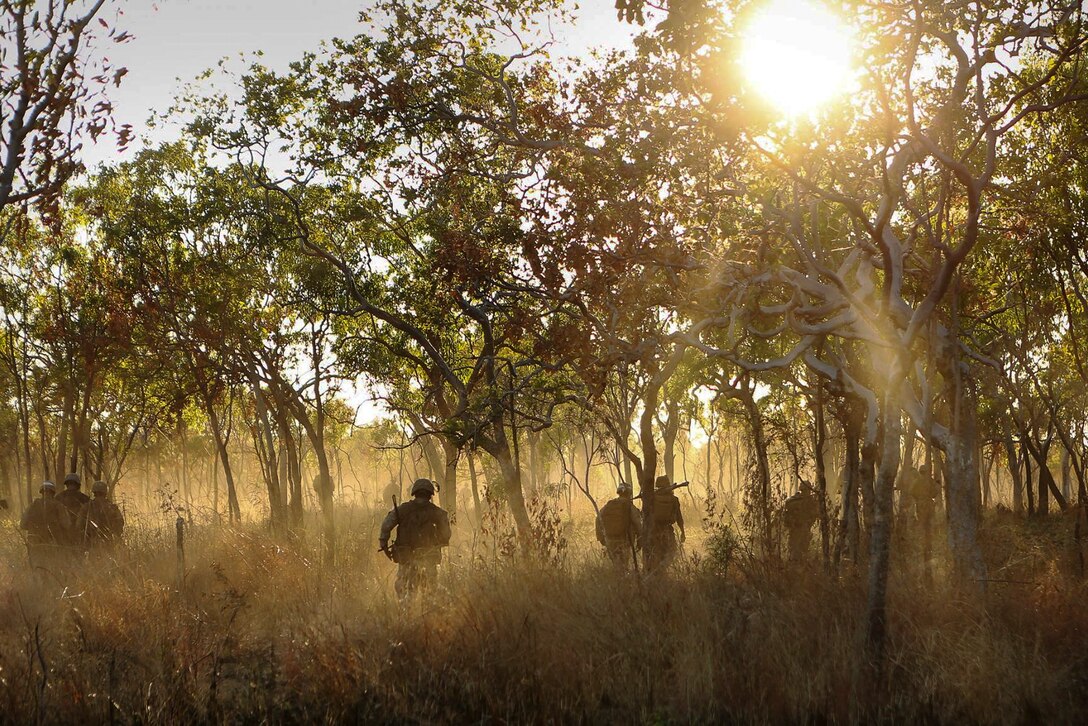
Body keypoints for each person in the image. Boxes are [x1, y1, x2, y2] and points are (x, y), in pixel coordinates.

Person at [379, 478, 452, 599]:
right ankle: (429, 613)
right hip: (428, 556)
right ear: (430, 494)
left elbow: (386, 525)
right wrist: (436, 543)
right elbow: (446, 534)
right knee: (430, 589)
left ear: (414, 493)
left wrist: (383, 543)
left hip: (406, 556)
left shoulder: (403, 509)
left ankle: (405, 613)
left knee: (404, 590)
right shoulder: (436, 512)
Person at [20, 481, 72, 570]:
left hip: (35, 545)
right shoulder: (58, 506)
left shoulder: (32, 506)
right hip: (53, 544)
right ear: (53, 493)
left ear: (41, 492)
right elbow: (67, 525)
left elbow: (22, 525)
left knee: (37, 569)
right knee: (52, 569)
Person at [596, 482, 642, 572]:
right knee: (624, 566)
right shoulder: (629, 506)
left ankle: (616, 582)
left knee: (616, 566)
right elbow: (637, 523)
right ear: (629, 493)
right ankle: (623, 583)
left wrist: (601, 538)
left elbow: (598, 519)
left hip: (610, 541)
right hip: (624, 541)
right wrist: (640, 539)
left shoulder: (609, 505)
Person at [647, 475, 686, 571]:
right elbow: (679, 517)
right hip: (668, 530)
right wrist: (682, 532)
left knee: (655, 554)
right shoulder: (674, 499)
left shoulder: (652, 498)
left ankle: (657, 572)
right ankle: (662, 569)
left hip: (654, 531)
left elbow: (646, 515)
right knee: (671, 552)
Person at [77, 481, 125, 549]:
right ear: (105, 492)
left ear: (94, 492)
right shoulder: (112, 507)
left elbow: (79, 525)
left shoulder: (87, 507)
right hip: (108, 542)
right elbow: (120, 524)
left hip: (90, 543)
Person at [782, 482, 820, 561]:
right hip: (800, 530)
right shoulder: (810, 502)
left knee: (795, 551)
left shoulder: (791, 500)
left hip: (796, 530)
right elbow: (815, 515)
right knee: (800, 552)